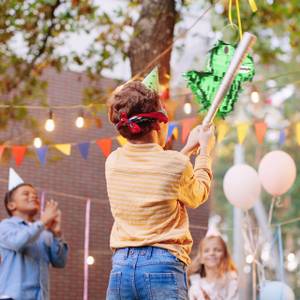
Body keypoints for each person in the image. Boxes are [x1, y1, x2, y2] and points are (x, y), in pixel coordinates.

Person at [105, 80, 216, 299]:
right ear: (159, 124)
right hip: (162, 265)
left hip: (121, 267)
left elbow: (160, 175)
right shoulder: (175, 165)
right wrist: (204, 151)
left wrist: (187, 149)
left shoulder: (113, 161)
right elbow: (197, 193)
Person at [0, 175, 68, 300]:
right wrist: (42, 221)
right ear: (11, 205)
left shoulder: (44, 232)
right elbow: (17, 242)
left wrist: (57, 233)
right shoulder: (5, 226)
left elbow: (60, 262)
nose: (33, 196)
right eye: (26, 194)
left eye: (35, 195)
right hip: (12, 296)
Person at [188, 228, 238, 300]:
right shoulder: (196, 286)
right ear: (201, 258)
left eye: (217, 250)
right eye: (206, 251)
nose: (211, 253)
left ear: (225, 255)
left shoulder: (231, 283)